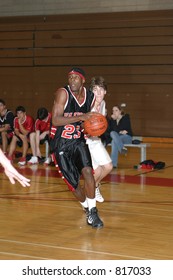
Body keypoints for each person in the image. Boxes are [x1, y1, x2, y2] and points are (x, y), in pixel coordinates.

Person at [50, 67, 103, 228]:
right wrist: (81, 117)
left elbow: (87, 121)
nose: (71, 80)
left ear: (83, 80)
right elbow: (56, 121)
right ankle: (87, 208)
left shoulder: (91, 97)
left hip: (78, 140)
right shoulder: (63, 93)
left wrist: (93, 127)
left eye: (75, 78)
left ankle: (93, 212)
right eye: (70, 77)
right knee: (74, 186)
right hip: (61, 144)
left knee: (88, 172)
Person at [86, 76, 113, 202]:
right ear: (91, 91)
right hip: (84, 142)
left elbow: (100, 126)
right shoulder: (86, 105)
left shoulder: (103, 104)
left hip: (95, 140)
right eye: (95, 90)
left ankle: (94, 186)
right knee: (96, 171)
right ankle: (89, 195)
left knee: (108, 167)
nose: (98, 93)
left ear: (105, 92)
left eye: (101, 89)